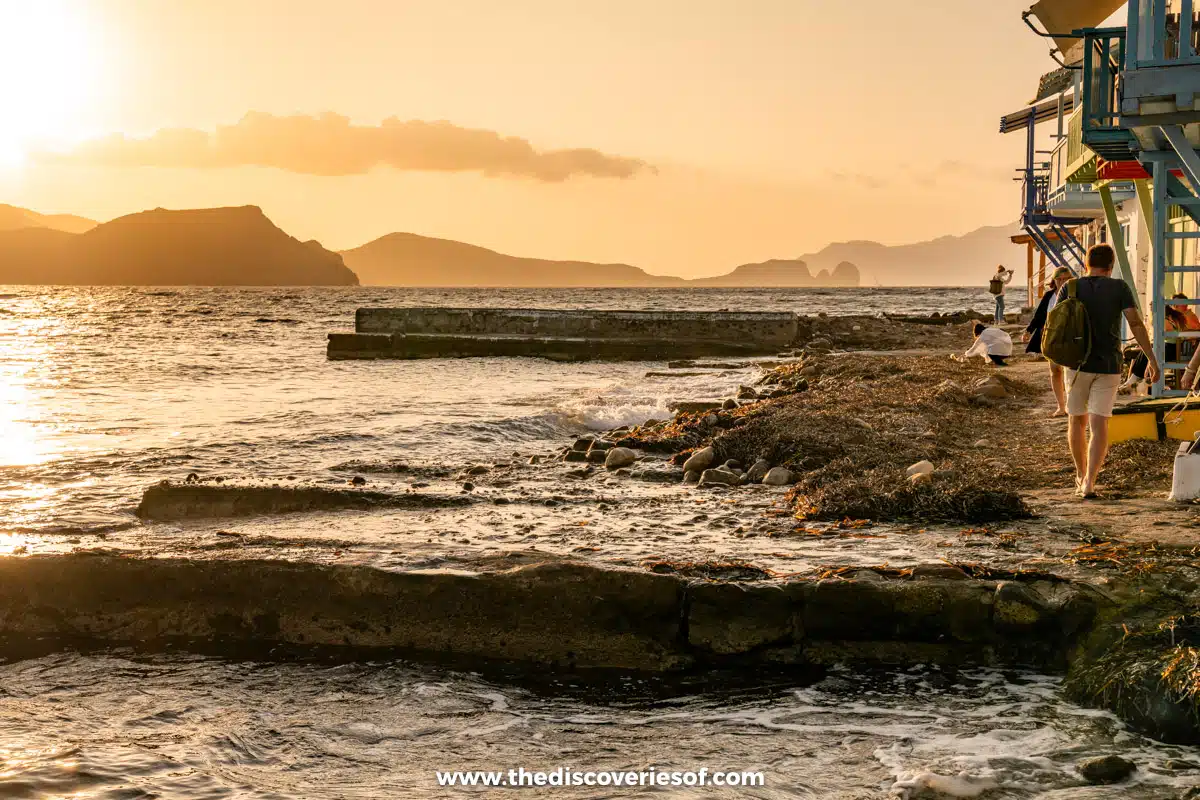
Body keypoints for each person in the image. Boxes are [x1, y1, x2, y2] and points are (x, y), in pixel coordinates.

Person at [1058, 244, 1159, 499]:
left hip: (1076, 364)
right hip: (1109, 365)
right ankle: (1091, 481)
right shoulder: (1119, 287)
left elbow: (1057, 326)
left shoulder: (1070, 287)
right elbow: (1135, 322)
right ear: (1111, 265)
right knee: (1099, 423)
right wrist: (1151, 359)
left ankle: (1080, 475)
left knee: (1076, 421)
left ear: (1086, 263)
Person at [1023, 266, 1073, 416]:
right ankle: (1061, 406)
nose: (1062, 282)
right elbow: (1039, 316)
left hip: (1071, 338)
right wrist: (1028, 330)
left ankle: (1072, 405)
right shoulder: (1049, 296)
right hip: (1051, 338)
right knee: (1055, 371)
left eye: (1066, 279)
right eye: (1059, 279)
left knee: (1071, 372)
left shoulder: (1075, 295)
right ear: (1054, 281)